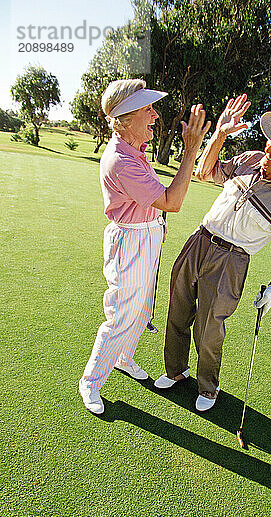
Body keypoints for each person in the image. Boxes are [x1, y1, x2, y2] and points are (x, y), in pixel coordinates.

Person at [154, 94, 271, 411]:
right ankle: (176, 371)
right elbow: (205, 173)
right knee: (177, 310)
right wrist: (219, 135)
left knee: (209, 329)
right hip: (200, 239)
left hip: (232, 261)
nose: (270, 151)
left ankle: (208, 388)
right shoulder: (248, 159)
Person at [79, 78, 211, 415]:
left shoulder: (133, 151)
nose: (155, 115)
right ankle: (91, 381)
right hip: (132, 241)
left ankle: (123, 358)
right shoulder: (122, 161)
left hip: (147, 236)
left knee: (142, 308)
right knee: (122, 313)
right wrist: (191, 147)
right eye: (147, 109)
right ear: (125, 118)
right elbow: (172, 201)